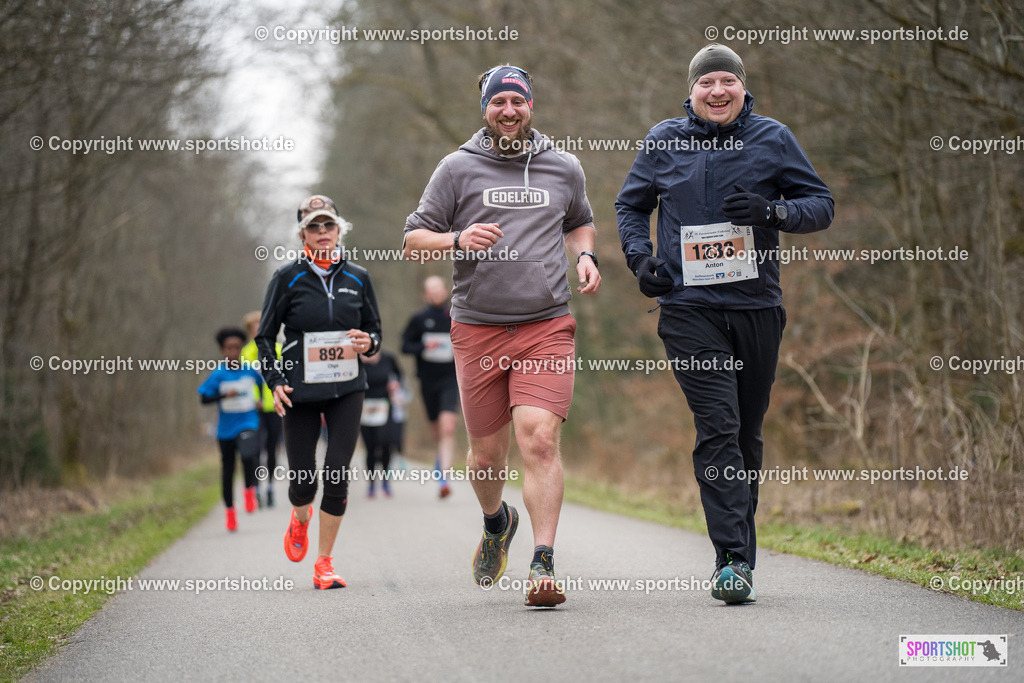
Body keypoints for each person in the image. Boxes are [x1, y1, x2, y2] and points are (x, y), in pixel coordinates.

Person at [616, 44, 834, 604]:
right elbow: (631, 205)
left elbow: (820, 204)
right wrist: (642, 261)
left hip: (756, 306)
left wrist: (775, 212)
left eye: (726, 82)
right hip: (688, 309)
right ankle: (732, 560)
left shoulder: (773, 138)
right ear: (690, 91)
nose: (717, 91)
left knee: (745, 433)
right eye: (706, 82)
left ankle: (740, 553)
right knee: (718, 425)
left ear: (742, 88)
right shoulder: (664, 140)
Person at [403, 64, 600, 607]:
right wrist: (457, 238)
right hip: (477, 330)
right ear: (485, 108)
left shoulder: (563, 166)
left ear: (530, 105)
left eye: (517, 102)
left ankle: (543, 563)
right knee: (486, 458)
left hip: (546, 324)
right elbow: (412, 239)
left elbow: (580, 220)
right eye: (498, 103)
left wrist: (584, 254)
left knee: (538, 438)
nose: (508, 111)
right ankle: (496, 522)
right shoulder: (457, 168)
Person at [256, 194, 382, 590]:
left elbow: (375, 332)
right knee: (304, 480)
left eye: (329, 225)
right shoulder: (286, 277)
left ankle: (324, 563)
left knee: (338, 472)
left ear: (339, 229)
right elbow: (263, 338)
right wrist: (275, 382)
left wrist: (369, 344)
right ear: (302, 235)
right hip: (301, 390)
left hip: (348, 386)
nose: (323, 232)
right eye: (314, 226)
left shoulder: (358, 277)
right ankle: (299, 516)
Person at [198, 327, 263, 531]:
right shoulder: (218, 375)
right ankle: (230, 513)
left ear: (242, 348)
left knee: (249, 455)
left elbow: (260, 384)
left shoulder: (249, 370)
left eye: (237, 348)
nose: (233, 352)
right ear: (222, 350)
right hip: (225, 429)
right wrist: (223, 396)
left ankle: (249, 490)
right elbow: (204, 398)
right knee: (228, 470)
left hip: (248, 422)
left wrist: (259, 399)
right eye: (229, 348)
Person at [401, 276, 459, 498]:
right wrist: (424, 345)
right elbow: (405, 345)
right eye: (430, 291)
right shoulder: (418, 319)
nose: (435, 294)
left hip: (451, 379)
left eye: (438, 289)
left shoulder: (456, 316)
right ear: (425, 295)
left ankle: (444, 478)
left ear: (445, 291)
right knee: (437, 430)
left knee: (448, 428)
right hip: (427, 381)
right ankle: (440, 460)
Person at [241, 310, 282, 507]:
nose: (258, 328)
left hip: (274, 406)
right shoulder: (246, 352)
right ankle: (256, 487)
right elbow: (243, 380)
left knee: (272, 448)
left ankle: (271, 487)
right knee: (255, 450)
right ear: (249, 330)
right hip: (253, 408)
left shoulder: (278, 349)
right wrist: (253, 398)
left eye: (261, 324)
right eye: (255, 326)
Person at [359, 349, 404, 498]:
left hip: (385, 405)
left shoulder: (388, 358)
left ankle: (385, 480)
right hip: (365, 406)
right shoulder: (356, 359)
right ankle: (372, 483)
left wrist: (396, 384)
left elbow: (399, 375)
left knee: (385, 442)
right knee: (371, 447)